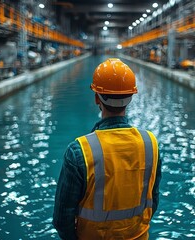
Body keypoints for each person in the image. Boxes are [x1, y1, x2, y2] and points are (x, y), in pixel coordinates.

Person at [53, 58, 162, 240]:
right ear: (131, 97)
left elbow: (62, 219)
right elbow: (154, 200)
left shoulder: (79, 151)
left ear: (97, 98)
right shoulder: (151, 143)